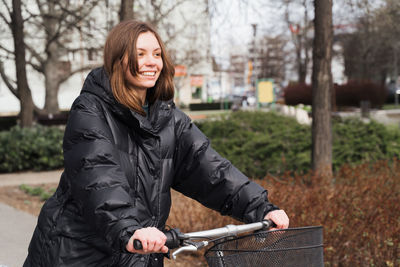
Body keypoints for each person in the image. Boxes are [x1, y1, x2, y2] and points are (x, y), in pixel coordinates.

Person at [23, 20, 289, 267]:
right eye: (140, 54)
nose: (151, 62)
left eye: (157, 54)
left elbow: (211, 170)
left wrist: (260, 207)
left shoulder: (168, 119)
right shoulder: (91, 111)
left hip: (137, 252)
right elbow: (98, 176)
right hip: (77, 254)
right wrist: (128, 228)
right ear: (118, 59)